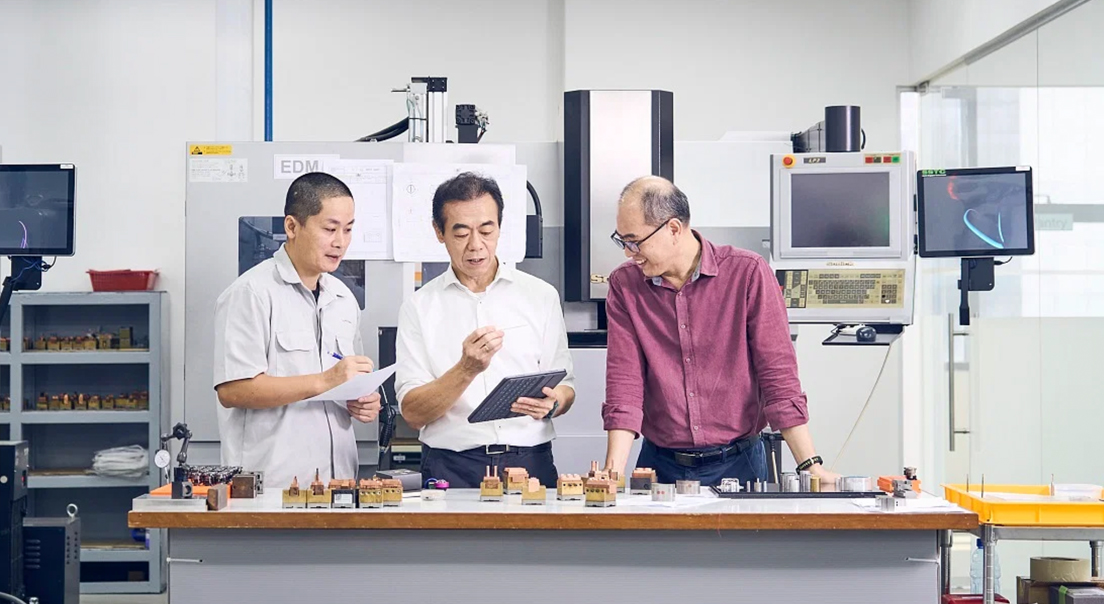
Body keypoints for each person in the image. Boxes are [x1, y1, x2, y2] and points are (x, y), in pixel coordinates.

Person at [601, 176, 837, 488]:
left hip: (741, 463)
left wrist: (810, 466)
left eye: (635, 241)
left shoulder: (748, 273)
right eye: (623, 241)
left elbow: (778, 375)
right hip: (660, 465)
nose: (629, 253)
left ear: (673, 229)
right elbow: (624, 383)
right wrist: (612, 473)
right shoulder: (624, 285)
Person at [395, 172, 575, 488]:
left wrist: (553, 403)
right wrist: (466, 369)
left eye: (486, 230)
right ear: (439, 232)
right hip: (452, 467)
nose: (476, 246)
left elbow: (566, 387)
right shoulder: (419, 307)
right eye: (461, 233)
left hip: (530, 462)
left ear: (499, 228)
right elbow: (412, 413)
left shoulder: (540, 296)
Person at [213, 172, 382, 488]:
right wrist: (326, 380)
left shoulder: (343, 299)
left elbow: (346, 383)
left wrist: (359, 400)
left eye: (347, 230)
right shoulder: (251, 293)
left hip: (338, 484)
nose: (340, 242)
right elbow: (233, 390)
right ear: (292, 227)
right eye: (330, 229)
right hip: (274, 487)